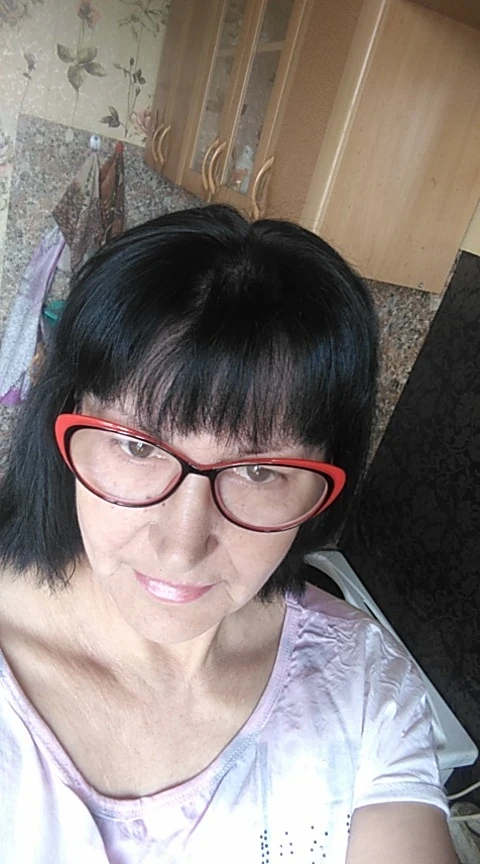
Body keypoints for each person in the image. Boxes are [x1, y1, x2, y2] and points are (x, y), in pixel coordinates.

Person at [0, 205, 456, 863]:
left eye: (258, 471)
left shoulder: (362, 690)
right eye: (137, 447)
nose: (182, 545)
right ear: (64, 423)